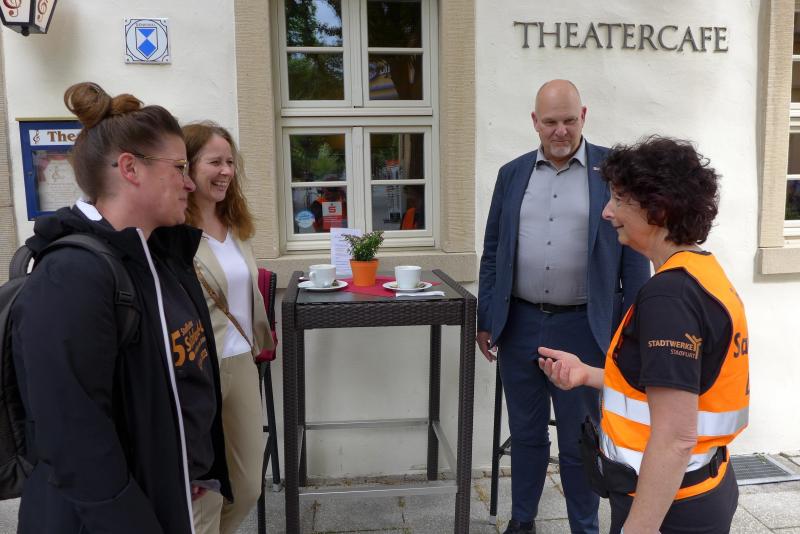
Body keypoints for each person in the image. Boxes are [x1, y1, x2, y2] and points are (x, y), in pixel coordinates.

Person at [10, 82, 230, 533]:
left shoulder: (160, 255)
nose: (190, 183)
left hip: (169, 495)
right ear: (130, 168)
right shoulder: (71, 276)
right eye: (179, 168)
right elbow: (74, 439)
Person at [538, 136, 748, 534]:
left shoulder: (669, 297)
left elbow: (675, 437)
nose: (607, 211)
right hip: (697, 489)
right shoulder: (700, 273)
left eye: (619, 199)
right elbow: (675, 386)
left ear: (658, 209)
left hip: (670, 508)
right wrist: (588, 374)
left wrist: (639, 528)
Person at [477, 79, 650, 534]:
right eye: (550, 121)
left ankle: (584, 528)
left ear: (584, 116)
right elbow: (494, 251)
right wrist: (487, 318)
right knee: (526, 434)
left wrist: (633, 329)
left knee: (581, 439)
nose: (560, 131)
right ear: (535, 122)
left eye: (569, 120)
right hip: (519, 325)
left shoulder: (612, 173)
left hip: (585, 329)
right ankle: (522, 521)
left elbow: (635, 257)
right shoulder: (512, 174)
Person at [183, 121, 274, 534]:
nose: (225, 171)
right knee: (206, 494)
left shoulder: (236, 225)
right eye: (214, 162)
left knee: (249, 486)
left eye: (230, 162)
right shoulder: (173, 231)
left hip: (241, 361)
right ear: (187, 166)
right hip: (198, 367)